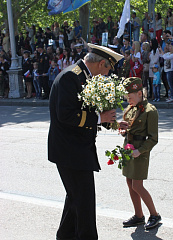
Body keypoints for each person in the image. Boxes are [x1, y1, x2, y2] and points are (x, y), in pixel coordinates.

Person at [48, 43, 123, 240]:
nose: (107, 74)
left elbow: (92, 111)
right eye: (108, 69)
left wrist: (112, 123)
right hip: (69, 150)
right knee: (84, 202)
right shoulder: (71, 77)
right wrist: (100, 119)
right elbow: (65, 115)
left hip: (78, 149)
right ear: (100, 64)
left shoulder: (83, 76)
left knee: (76, 198)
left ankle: (65, 236)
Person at [119, 77, 161, 230]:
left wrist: (139, 151)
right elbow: (130, 130)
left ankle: (155, 214)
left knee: (137, 185)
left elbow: (153, 138)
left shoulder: (150, 111)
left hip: (140, 152)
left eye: (130, 97)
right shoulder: (132, 108)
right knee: (130, 183)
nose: (128, 100)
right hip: (129, 149)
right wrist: (124, 132)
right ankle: (138, 216)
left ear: (139, 93)